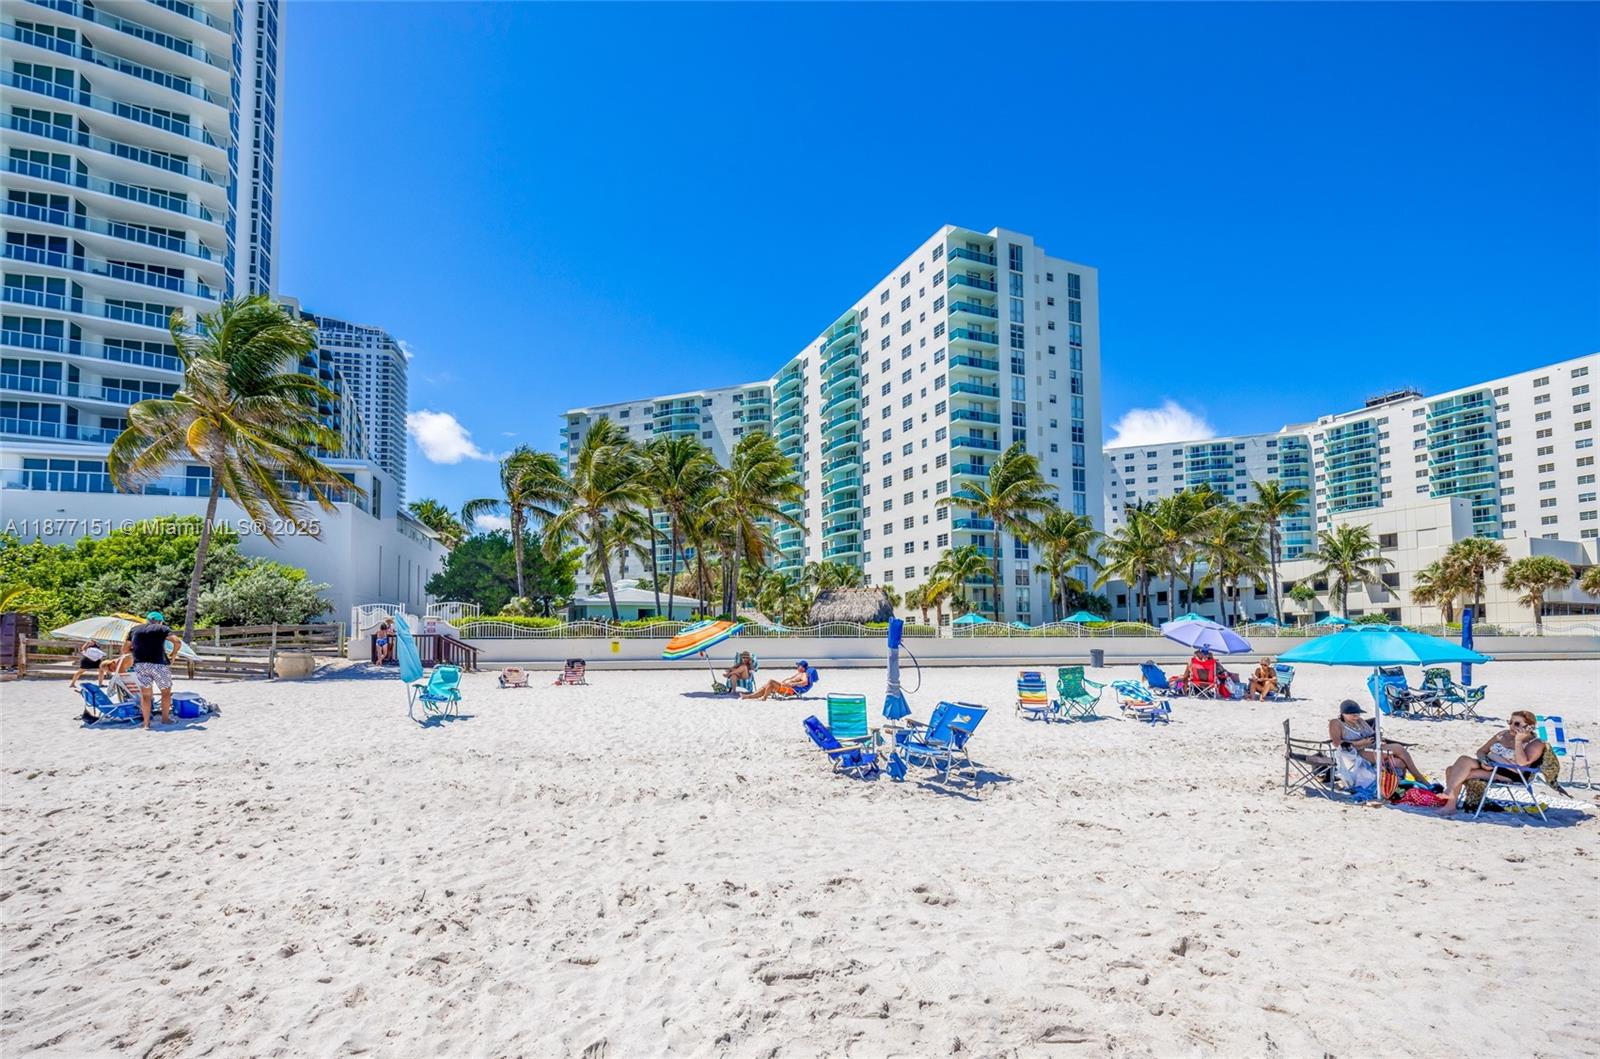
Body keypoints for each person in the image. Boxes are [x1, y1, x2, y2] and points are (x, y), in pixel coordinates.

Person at [1437, 710, 1545, 815]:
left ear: (1530, 726)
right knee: (1461, 761)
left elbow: (1522, 764)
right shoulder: (1503, 734)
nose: (1511, 726)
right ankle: (1450, 797)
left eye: (1517, 723)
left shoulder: (1536, 743)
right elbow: (1481, 751)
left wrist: (1518, 741)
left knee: (1456, 772)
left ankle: (1450, 802)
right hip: (1491, 764)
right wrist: (1484, 760)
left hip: (1513, 773)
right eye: (1510, 722)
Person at [1328, 700, 1428, 784]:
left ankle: (1396, 784)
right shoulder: (1336, 723)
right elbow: (1337, 743)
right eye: (1352, 714)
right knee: (1398, 748)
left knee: (1399, 762)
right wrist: (1360, 743)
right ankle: (1418, 777)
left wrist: (1377, 737)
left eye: (1357, 714)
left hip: (1369, 747)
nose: (1356, 716)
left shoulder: (1360, 721)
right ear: (1343, 714)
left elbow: (1371, 733)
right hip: (1352, 753)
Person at [122, 611, 183, 729]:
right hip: (159, 665)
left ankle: (146, 724)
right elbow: (177, 642)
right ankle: (165, 719)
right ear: (160, 621)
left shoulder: (135, 630)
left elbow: (125, 649)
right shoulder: (162, 628)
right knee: (165, 693)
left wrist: (135, 652)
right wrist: (173, 654)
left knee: (146, 695)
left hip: (140, 665)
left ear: (147, 620)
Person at [742, 660, 813, 701]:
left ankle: (764, 698)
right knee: (766, 686)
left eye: (799, 665)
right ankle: (748, 696)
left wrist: (792, 684)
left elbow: (805, 682)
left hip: (788, 690)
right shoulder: (800, 673)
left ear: (803, 668)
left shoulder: (804, 674)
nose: (797, 666)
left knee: (771, 681)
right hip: (785, 688)